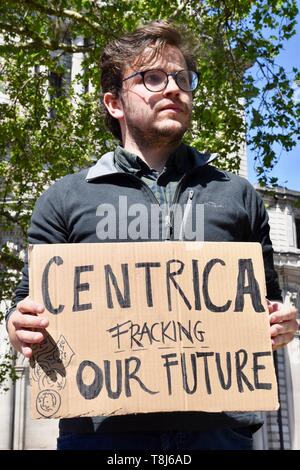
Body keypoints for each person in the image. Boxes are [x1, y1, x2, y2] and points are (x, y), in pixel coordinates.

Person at [6, 20, 298, 450]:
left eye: (182, 78)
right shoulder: (63, 199)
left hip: (218, 438)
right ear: (114, 102)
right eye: (153, 78)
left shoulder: (238, 195)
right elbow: (26, 305)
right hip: (101, 441)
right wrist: (19, 326)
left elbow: (265, 303)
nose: (174, 88)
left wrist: (281, 323)